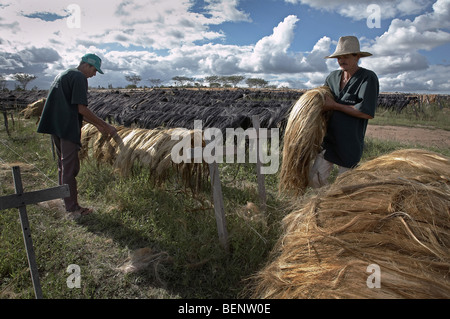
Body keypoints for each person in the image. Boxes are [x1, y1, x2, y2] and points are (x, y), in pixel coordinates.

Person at [37, 53, 117, 217]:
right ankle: (73, 209)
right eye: (94, 70)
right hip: (67, 127)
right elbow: (81, 109)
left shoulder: (64, 74)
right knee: (70, 168)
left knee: (63, 165)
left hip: (55, 125)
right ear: (87, 65)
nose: (94, 74)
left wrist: (98, 124)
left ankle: (64, 199)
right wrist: (104, 125)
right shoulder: (80, 78)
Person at [309, 36, 379, 188]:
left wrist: (334, 105)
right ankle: (323, 206)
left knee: (345, 187)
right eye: (339, 58)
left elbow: (366, 112)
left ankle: (339, 209)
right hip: (329, 139)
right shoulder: (332, 77)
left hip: (350, 142)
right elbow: (323, 101)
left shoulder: (367, 78)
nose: (342, 60)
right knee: (315, 178)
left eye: (346, 56)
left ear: (357, 57)